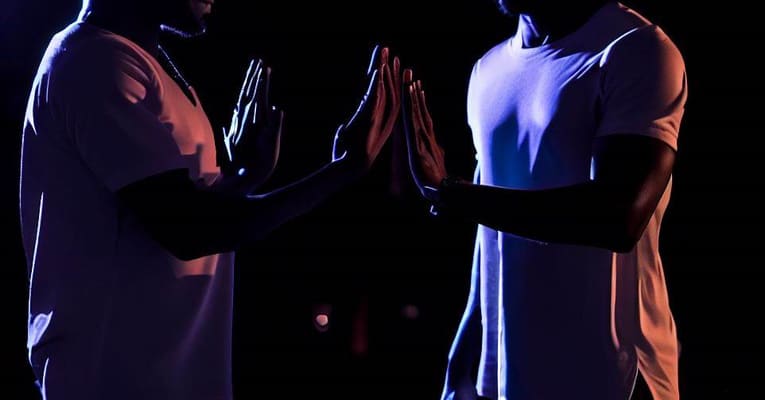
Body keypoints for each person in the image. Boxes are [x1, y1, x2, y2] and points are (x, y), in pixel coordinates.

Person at [18, 0, 401, 398]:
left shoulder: (140, 60)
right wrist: (342, 170)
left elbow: (170, 219)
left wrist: (243, 177)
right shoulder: (95, 62)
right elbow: (189, 229)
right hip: (113, 381)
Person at [401, 0, 687, 399]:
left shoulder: (635, 49)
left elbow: (618, 216)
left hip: (613, 380)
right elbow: (491, 238)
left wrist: (455, 194)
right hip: (512, 380)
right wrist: (468, 351)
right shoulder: (489, 69)